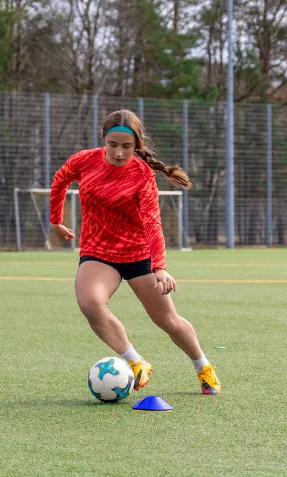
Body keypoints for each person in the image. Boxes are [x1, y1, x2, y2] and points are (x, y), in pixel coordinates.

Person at [49, 109, 220, 395]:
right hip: (99, 253)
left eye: (126, 146)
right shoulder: (84, 160)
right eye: (113, 145)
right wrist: (56, 221)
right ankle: (136, 361)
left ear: (137, 145)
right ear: (104, 140)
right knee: (90, 304)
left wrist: (160, 267)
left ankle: (203, 366)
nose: (118, 153)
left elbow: (152, 223)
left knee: (168, 321)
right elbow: (60, 180)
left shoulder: (142, 175)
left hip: (139, 255)